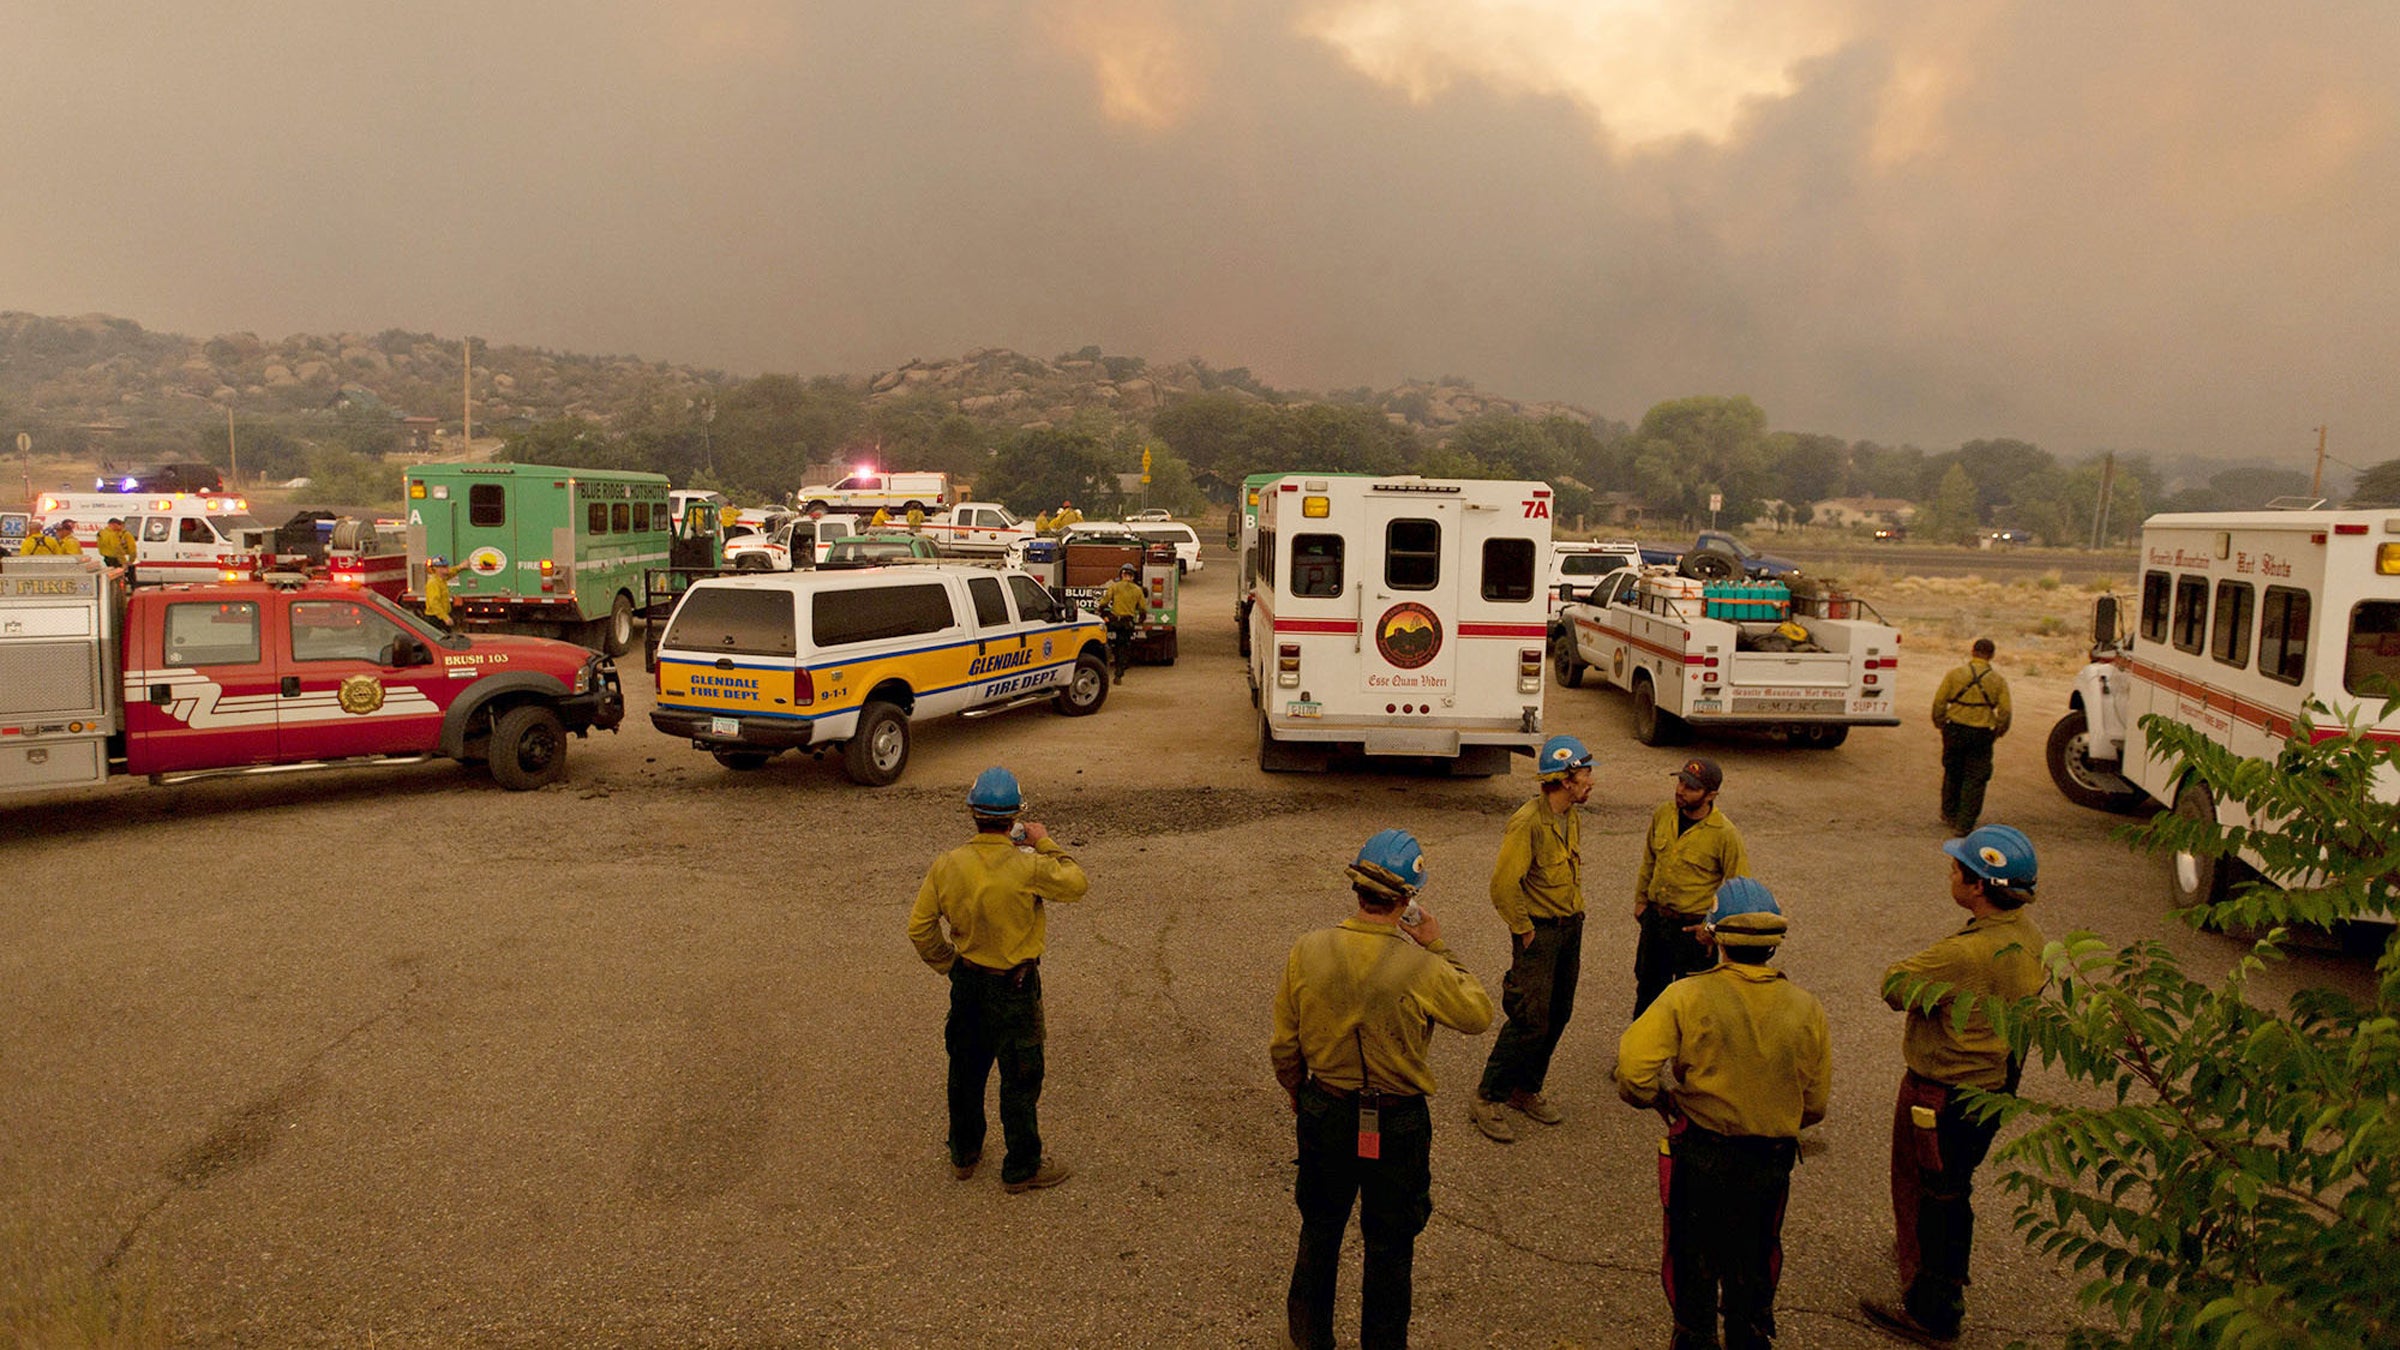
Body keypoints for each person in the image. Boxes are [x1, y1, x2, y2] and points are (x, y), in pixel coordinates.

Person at [1272, 829, 1494, 1350]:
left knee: (1320, 1232)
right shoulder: (1423, 965)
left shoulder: (1308, 949)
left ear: (1357, 889)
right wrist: (1437, 943)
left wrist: (1296, 1090)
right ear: (1408, 900)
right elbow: (1478, 1014)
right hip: (1397, 1121)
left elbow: (1285, 1043)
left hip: (1326, 1106)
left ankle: (1308, 1340)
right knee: (1391, 1246)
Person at [1616, 878, 1830, 1350]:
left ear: (1712, 936)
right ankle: (1750, 1333)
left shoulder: (1686, 997)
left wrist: (1661, 1100)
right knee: (1755, 1258)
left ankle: (1694, 1337)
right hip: (1769, 1160)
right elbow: (1814, 1104)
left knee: (1692, 1258)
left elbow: (1632, 1073)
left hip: (1702, 1153)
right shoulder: (1806, 1008)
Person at [1860, 825, 2048, 1347]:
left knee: (1938, 1192)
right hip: (1993, 1085)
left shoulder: (1964, 954)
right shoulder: (2027, 935)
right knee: (1951, 1185)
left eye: (1957, 869)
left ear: (1979, 886)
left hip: (1943, 1092)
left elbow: (1895, 985)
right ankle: (1925, 1263)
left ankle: (1933, 1307)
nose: (1951, 875)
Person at [907, 768, 1089, 1194]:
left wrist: (949, 964)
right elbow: (1077, 883)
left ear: (972, 811)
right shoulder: (1029, 866)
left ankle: (964, 1154)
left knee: (965, 1071)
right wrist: (1043, 840)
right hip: (1016, 987)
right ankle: (1021, 1166)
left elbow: (920, 928)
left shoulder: (947, 864)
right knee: (1021, 1076)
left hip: (968, 982)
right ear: (1016, 817)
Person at [1466, 734, 1594, 1144]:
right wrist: (1523, 930)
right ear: (1566, 778)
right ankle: (1489, 1097)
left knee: (1558, 1013)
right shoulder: (1528, 822)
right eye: (1586, 773)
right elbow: (1503, 885)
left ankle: (1526, 1089)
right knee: (1528, 1019)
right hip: (1539, 932)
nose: (1591, 781)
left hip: (1570, 926)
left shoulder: (1569, 814)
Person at [1633, 757, 1750, 1017]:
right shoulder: (1664, 813)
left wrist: (1713, 930)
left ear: (1711, 795)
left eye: (1691, 787)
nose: (1680, 790)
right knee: (1648, 994)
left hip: (1694, 933)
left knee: (1694, 1005)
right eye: (1681, 781)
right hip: (1657, 923)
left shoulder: (1724, 834)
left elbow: (1738, 889)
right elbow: (1649, 859)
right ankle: (1640, 1057)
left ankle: (1687, 1058)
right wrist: (1642, 902)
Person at [1930, 639, 2012, 834]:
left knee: (1953, 771)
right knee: (1976, 778)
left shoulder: (1955, 674)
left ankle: (1949, 813)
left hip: (1955, 729)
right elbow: (2006, 711)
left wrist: (1940, 722)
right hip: (1982, 733)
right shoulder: (1998, 680)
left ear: (1973, 651)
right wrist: (1999, 730)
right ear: (1991, 655)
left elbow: (1939, 702)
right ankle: (1964, 824)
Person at [1098, 563, 1145, 682]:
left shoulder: (1115, 587)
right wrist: (1141, 619)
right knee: (1124, 646)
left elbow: (1104, 602)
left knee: (1106, 640)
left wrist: (1101, 612)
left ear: (1121, 575)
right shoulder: (1137, 590)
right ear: (1133, 576)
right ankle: (1119, 673)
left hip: (1114, 622)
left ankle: (1106, 659)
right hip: (1127, 623)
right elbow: (1143, 609)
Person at [422, 556, 456, 630]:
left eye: (447, 566)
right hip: (436, 618)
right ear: (436, 569)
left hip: (441, 616)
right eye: (444, 567)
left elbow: (451, 573)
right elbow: (434, 603)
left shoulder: (442, 580)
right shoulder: (433, 583)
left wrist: (460, 567)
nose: (447, 568)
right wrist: (445, 618)